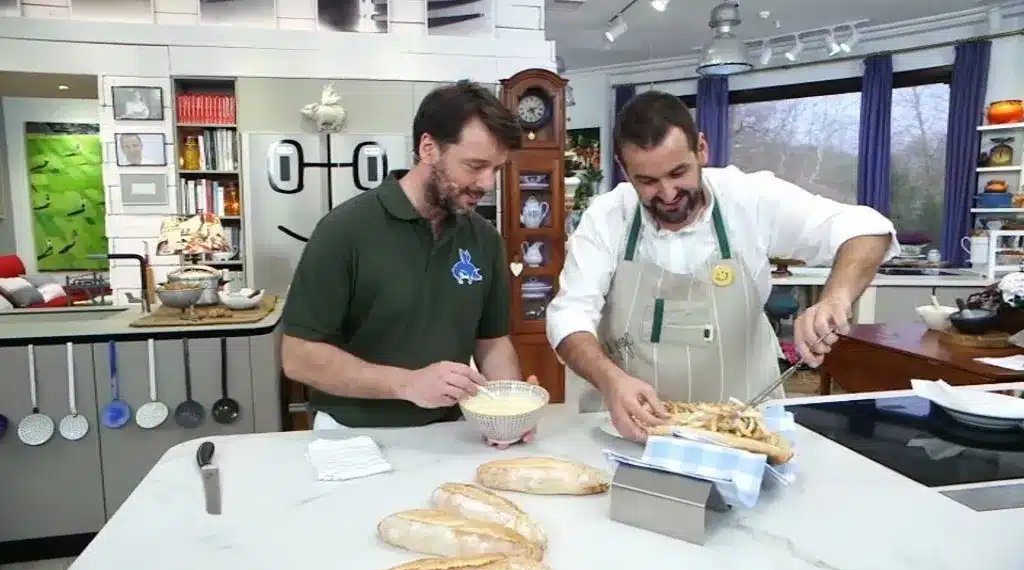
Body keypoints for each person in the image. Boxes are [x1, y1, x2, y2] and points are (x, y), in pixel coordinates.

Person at [546, 91, 898, 441]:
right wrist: (610, 380)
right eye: (648, 181)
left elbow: (867, 229)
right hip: (630, 430)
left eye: (678, 172)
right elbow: (569, 315)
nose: (667, 194)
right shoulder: (607, 217)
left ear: (701, 149)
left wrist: (836, 298)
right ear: (624, 169)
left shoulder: (750, 198)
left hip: (745, 432)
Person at [281, 80, 533, 446]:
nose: (487, 183)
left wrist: (508, 413)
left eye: (496, 169)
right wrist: (407, 384)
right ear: (428, 148)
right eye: (475, 166)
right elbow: (299, 357)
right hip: (351, 436)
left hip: (452, 432)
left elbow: (492, 343)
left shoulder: (485, 239)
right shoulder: (343, 230)